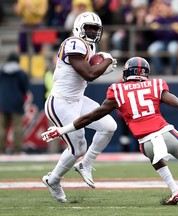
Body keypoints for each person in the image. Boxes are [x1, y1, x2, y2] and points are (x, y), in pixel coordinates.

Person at [41, 57, 178, 206]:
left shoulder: (117, 91)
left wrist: (61, 130)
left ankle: (175, 190)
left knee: (158, 161)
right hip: (166, 133)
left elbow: (90, 117)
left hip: (145, 143)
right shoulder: (155, 85)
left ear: (127, 72)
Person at [41, 12, 118, 203]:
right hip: (60, 102)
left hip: (77, 99)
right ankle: (53, 180)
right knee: (78, 147)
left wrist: (101, 63)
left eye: (95, 28)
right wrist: (107, 61)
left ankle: (86, 164)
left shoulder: (90, 46)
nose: (92, 31)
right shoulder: (72, 42)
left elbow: (90, 72)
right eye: (88, 27)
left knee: (109, 126)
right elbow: (89, 74)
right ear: (78, 27)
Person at [0, 52, 30, 154]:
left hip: (2, 102)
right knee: (17, 127)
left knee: (1, 128)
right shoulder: (21, 73)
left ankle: (1, 151)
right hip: (16, 103)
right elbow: (25, 88)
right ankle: (17, 151)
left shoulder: (1, 71)